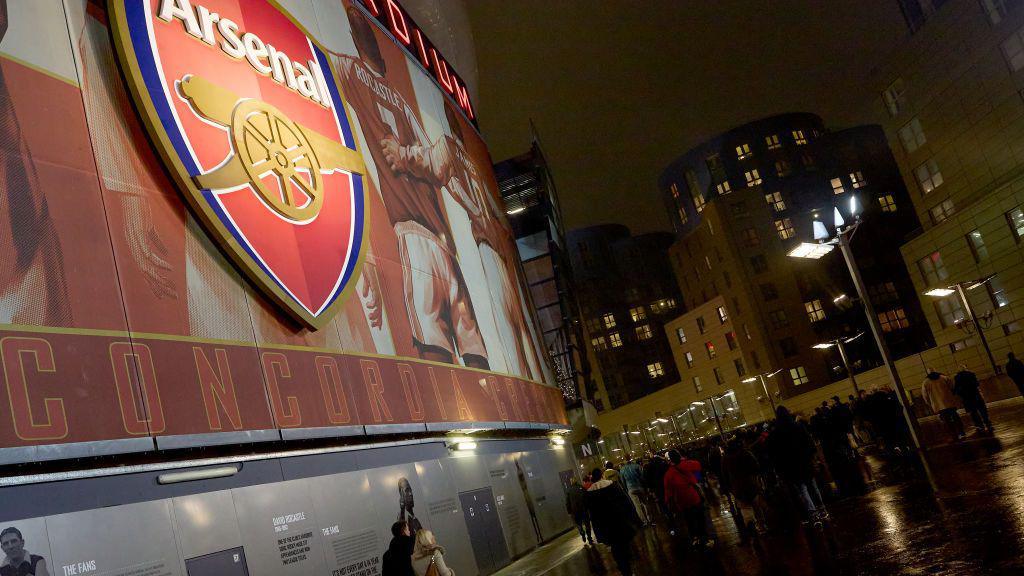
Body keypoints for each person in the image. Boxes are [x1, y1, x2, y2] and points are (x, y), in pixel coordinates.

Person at [334, 7, 489, 369]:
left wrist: (405, 156)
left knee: (434, 343)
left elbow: (437, 162)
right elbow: (441, 166)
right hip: (440, 239)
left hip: (415, 235)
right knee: (471, 340)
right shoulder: (403, 104)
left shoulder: (352, 72)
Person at [767, 406, 827, 524]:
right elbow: (809, 442)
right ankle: (822, 508)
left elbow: (774, 454)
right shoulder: (798, 427)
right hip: (804, 461)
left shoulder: (775, 433)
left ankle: (812, 512)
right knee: (812, 485)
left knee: (802, 489)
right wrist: (812, 456)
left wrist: (779, 469)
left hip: (790, 466)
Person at [586, 468, 639, 575]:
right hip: (620, 520)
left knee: (615, 548)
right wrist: (634, 518)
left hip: (606, 526)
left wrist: (598, 532)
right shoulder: (613, 486)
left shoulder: (590, 494)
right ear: (601, 475)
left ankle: (623, 568)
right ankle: (628, 567)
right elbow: (626, 502)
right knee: (624, 544)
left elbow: (593, 515)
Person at [664, 450, 712, 548]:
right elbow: (698, 465)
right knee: (700, 518)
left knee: (689, 520)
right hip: (694, 497)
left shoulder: (668, 474)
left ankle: (695, 538)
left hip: (681, 502)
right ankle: (704, 539)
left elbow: (668, 492)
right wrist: (683, 460)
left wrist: (669, 504)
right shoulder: (686, 465)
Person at [921, 370, 965, 441]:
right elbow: (952, 387)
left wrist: (930, 404)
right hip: (949, 402)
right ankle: (962, 433)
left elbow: (925, 396)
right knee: (956, 418)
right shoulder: (944, 378)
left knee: (946, 421)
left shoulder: (925, 382)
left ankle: (953, 435)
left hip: (938, 405)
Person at [953, 365, 993, 433]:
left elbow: (957, 389)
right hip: (976, 395)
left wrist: (961, 395)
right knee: (982, 410)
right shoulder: (971, 374)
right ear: (965, 369)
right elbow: (977, 384)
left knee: (973, 413)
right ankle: (988, 424)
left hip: (967, 398)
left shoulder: (957, 378)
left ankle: (980, 426)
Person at [619, 458, 650, 526]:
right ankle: (649, 518)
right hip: (639, 486)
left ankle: (644, 521)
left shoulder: (622, 470)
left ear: (624, 461)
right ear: (630, 459)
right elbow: (642, 477)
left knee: (637, 506)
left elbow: (623, 481)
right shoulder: (636, 466)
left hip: (630, 488)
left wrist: (626, 489)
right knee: (645, 503)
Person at [565, 477, 593, 545]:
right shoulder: (581, 487)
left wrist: (569, 511)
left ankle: (582, 532)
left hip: (575, 511)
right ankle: (589, 538)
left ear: (571, 482)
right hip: (583, 509)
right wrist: (588, 507)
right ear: (576, 481)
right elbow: (586, 497)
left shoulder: (568, 490)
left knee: (578, 524)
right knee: (587, 524)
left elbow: (567, 502)